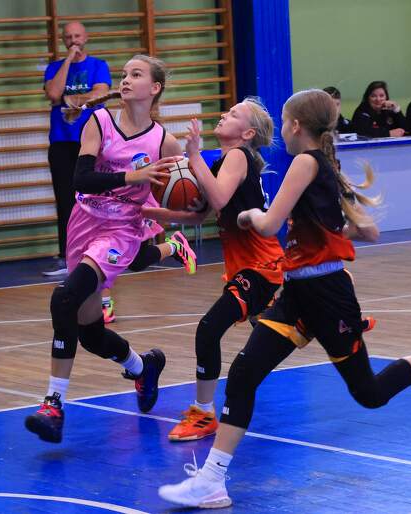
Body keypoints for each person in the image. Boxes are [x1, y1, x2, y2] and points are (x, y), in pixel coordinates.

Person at [158, 89, 411, 509]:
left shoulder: (305, 162)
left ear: (295, 125)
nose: (282, 131)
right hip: (298, 292)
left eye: (285, 122)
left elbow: (268, 225)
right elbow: (368, 231)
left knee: (369, 393)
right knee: (244, 373)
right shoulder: (322, 165)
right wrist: (332, 228)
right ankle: (211, 481)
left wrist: (248, 216)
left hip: (327, 294)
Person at [25, 55, 183, 444]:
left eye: (136, 74)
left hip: (120, 230)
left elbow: (182, 191)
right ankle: (143, 366)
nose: (125, 79)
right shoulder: (100, 121)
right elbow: (80, 179)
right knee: (91, 334)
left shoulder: (164, 142)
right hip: (84, 222)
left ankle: (53, 405)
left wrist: (189, 200)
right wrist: (133, 175)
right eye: (124, 74)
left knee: (63, 299)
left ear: (154, 88)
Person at [146, 98, 284, 442]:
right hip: (248, 268)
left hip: (260, 267)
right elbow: (196, 216)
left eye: (233, 114)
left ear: (247, 133)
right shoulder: (224, 162)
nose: (224, 114)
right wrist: (147, 212)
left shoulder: (238, 156)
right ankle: (330, 319)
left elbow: (220, 199)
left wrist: (194, 155)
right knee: (268, 333)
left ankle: (204, 412)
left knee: (208, 329)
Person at [42, 22, 112, 277]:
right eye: (69, 37)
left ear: (86, 37)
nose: (74, 41)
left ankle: (97, 253)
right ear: (63, 40)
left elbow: (100, 94)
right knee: (65, 201)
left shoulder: (98, 66)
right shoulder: (54, 68)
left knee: (95, 198)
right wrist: (68, 61)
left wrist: (70, 100)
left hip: (91, 142)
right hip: (62, 143)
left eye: (78, 36)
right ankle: (66, 257)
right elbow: (54, 93)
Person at [100, 231, 198, 324]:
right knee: (134, 261)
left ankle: (105, 305)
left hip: (128, 222)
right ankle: (174, 246)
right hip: (107, 225)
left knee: (111, 256)